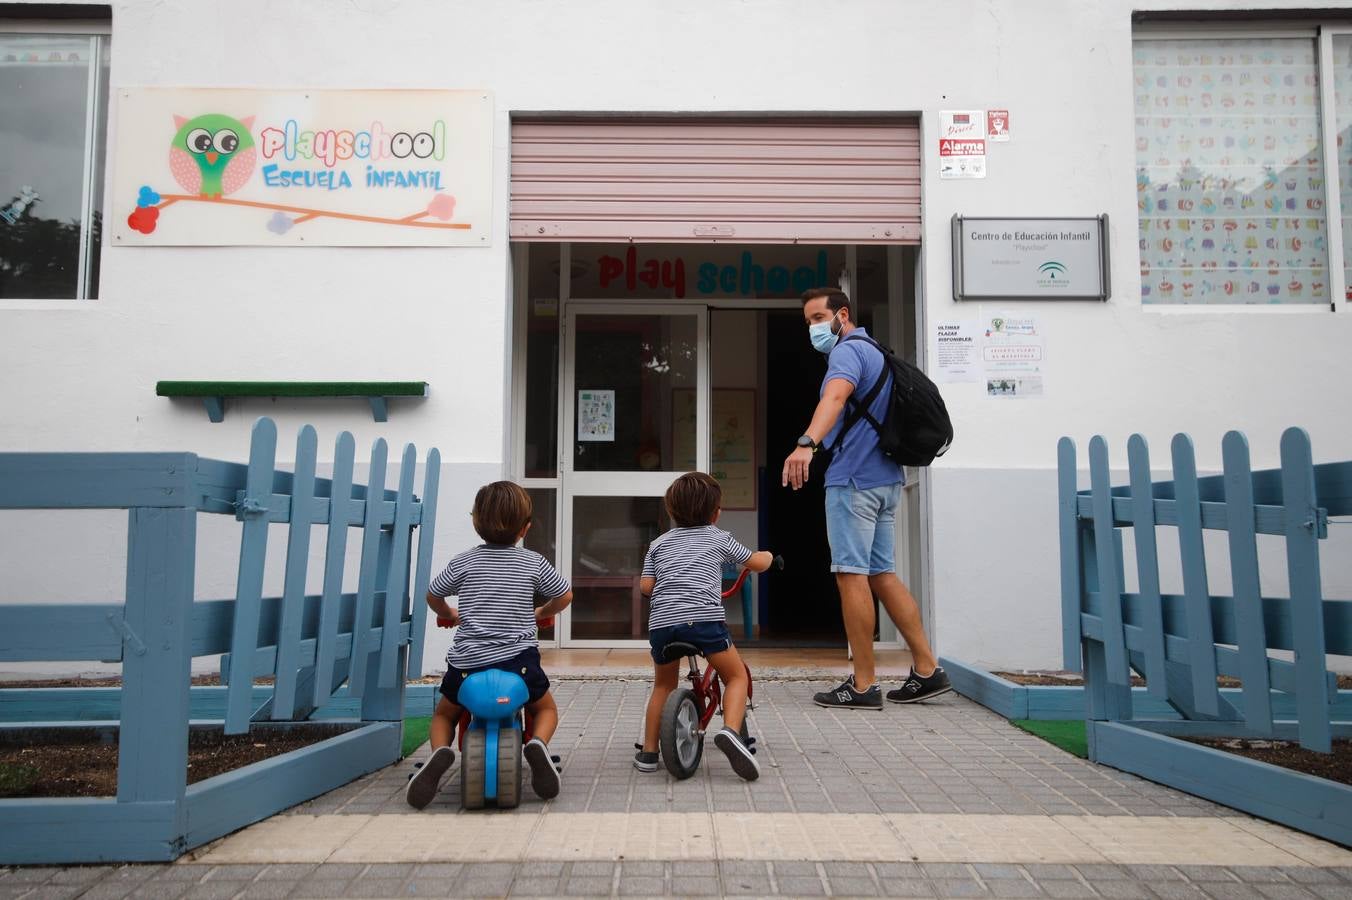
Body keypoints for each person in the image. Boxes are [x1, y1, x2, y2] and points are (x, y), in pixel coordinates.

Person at [781, 286, 951, 710]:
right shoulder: (877, 351)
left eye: (818, 319)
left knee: (850, 574)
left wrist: (806, 443)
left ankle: (862, 684)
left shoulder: (846, 353)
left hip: (853, 481)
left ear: (842, 314)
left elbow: (834, 397)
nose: (813, 328)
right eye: (808, 323)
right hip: (887, 480)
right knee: (882, 574)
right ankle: (928, 670)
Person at [405, 481, 573, 808]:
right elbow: (564, 595)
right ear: (525, 528)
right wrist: (542, 612)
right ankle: (537, 743)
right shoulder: (533, 562)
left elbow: (433, 594)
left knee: (445, 714)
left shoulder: (463, 562)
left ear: (474, 523)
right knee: (546, 708)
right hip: (518, 663)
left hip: (469, 663)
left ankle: (440, 751)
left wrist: (449, 613)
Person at [634, 472, 775, 780]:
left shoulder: (657, 544)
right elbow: (754, 562)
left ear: (671, 511)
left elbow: (646, 586)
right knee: (735, 675)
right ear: (716, 513)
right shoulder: (718, 537)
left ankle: (647, 752)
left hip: (663, 625)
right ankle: (730, 732)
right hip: (704, 620)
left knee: (663, 685)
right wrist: (767, 556)